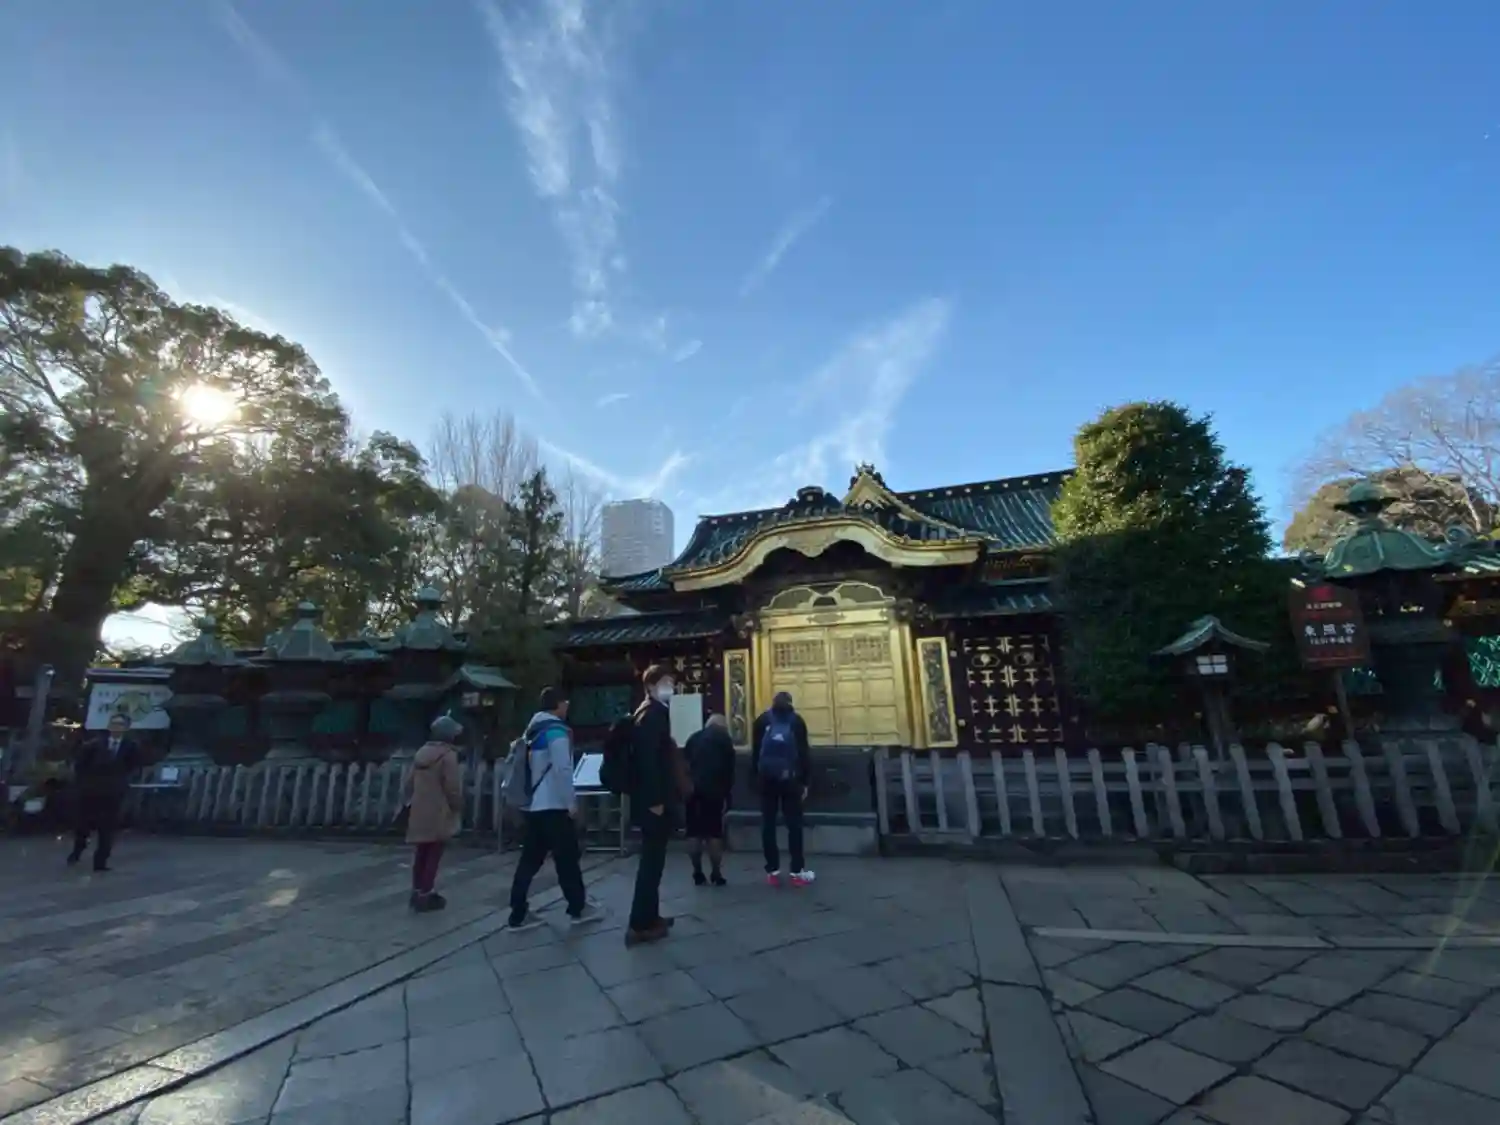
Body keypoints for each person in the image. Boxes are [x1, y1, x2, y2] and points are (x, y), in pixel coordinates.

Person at [506, 688, 603, 931]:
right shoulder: (556, 731)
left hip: (534, 805)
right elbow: (562, 769)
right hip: (554, 805)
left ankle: (518, 913)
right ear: (558, 704)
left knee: (529, 860)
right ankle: (578, 907)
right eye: (565, 701)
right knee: (567, 859)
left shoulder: (532, 731)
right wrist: (570, 802)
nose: (567, 706)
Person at [625, 663, 688, 946]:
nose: (670, 687)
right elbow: (648, 761)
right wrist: (655, 801)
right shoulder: (651, 715)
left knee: (655, 862)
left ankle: (651, 916)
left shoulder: (652, 712)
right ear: (650, 686)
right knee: (650, 864)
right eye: (665, 682)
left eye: (672, 682)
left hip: (655, 798)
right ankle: (640, 923)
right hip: (654, 802)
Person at [751, 691, 815, 887]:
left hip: (766, 780)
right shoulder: (797, 722)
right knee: (794, 825)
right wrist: (805, 781)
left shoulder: (762, 721)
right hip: (791, 780)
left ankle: (772, 870)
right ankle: (796, 871)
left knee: (768, 825)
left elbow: (755, 753)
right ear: (790, 703)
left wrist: (756, 778)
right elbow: (803, 753)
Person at [404, 715, 465, 912]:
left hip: (419, 809)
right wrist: (458, 805)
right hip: (440, 810)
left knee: (421, 851)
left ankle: (416, 891)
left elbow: (409, 783)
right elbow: (452, 787)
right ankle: (426, 893)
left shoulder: (420, 753)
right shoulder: (448, 756)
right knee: (434, 853)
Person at [67, 712, 142, 871]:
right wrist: (83, 783)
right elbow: (80, 766)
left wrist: (123, 782)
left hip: (113, 792)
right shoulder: (94, 745)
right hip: (91, 791)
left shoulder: (131, 747)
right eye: (114, 723)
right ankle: (78, 849)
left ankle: (100, 860)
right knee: (83, 824)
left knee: (108, 827)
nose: (116, 727)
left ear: (126, 728)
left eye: (120, 724)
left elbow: (133, 766)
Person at [683, 713, 736, 887]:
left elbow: (684, 764)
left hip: (693, 791)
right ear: (723, 727)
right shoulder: (724, 740)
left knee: (693, 833)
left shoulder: (693, 738)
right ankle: (716, 873)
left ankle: (697, 872)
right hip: (714, 792)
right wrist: (727, 795)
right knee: (714, 834)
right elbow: (729, 770)